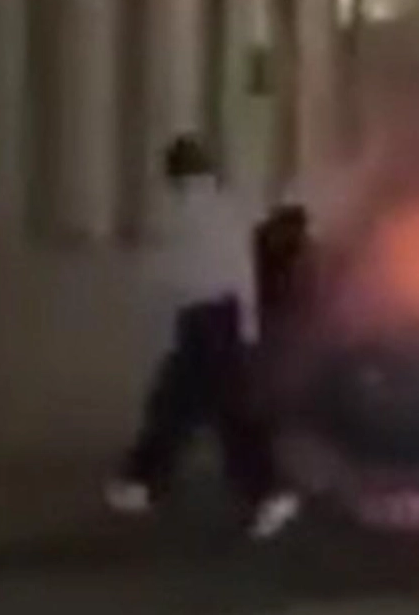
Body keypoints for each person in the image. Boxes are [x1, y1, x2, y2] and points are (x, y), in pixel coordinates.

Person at [104, 136, 299, 540]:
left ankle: (266, 491)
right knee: (192, 406)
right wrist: (247, 330)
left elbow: (164, 277)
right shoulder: (227, 208)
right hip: (223, 316)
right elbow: (242, 273)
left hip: (198, 320)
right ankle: (141, 481)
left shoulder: (173, 214)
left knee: (192, 407)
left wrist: (158, 325)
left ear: (173, 174)